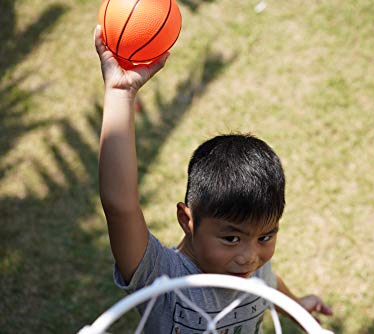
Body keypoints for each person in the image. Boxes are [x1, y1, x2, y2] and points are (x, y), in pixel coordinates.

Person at [94, 25, 332, 333]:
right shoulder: (160, 276)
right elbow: (119, 205)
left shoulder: (252, 267)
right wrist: (120, 93)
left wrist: (296, 305)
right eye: (231, 238)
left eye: (265, 237)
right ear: (187, 220)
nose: (249, 257)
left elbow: (268, 283)